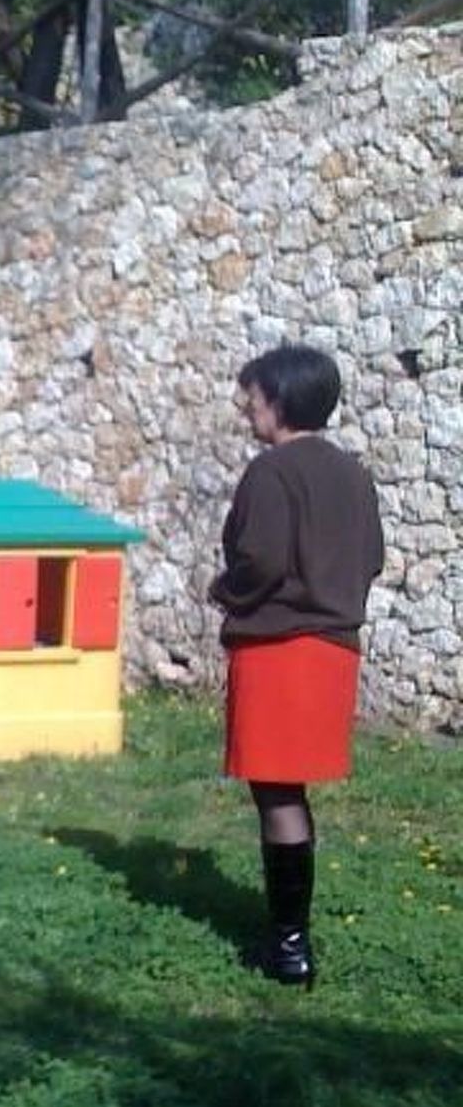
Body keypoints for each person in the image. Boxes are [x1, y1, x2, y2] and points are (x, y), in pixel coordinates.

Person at [208, 343, 384, 991]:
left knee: (277, 794)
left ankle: (289, 949)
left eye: (252, 397)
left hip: (279, 647)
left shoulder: (272, 471)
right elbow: (372, 559)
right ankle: (291, 939)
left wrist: (224, 590)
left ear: (279, 399)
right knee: (289, 792)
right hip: (333, 649)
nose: (247, 408)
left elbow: (261, 561)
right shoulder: (356, 475)